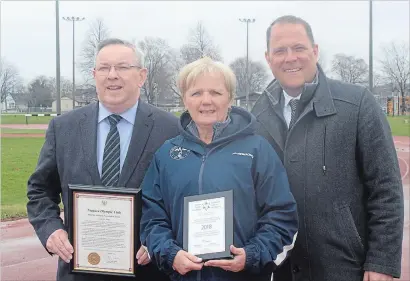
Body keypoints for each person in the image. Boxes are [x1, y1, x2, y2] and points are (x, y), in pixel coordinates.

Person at [251, 15, 404, 281]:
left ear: (315, 50)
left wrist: (382, 261)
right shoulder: (258, 115)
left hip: (345, 268)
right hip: (282, 270)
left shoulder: (357, 105)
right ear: (268, 58)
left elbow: (386, 188)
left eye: (298, 48)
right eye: (280, 51)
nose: (290, 58)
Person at [26, 38, 179, 281]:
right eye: (104, 68)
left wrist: (162, 240)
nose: (112, 75)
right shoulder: (63, 127)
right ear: (94, 75)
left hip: (148, 272)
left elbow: (183, 197)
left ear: (141, 76)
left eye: (122, 67)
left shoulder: (171, 129)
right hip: (79, 271)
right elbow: (40, 190)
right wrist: (51, 229)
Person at [139, 57, 299, 281]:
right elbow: (152, 218)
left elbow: (282, 216)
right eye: (196, 93)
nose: (206, 101)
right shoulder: (167, 154)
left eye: (215, 93)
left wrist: (251, 255)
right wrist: (171, 254)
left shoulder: (257, 150)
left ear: (230, 99)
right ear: (185, 99)